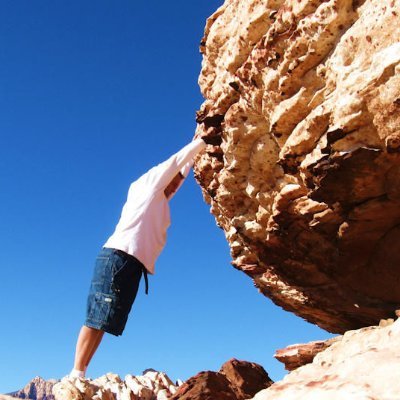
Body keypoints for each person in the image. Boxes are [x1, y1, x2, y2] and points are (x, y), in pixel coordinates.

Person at [69, 138, 206, 378]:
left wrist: (196, 152)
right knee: (95, 318)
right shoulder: (147, 185)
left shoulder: (161, 199)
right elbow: (175, 163)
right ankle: (76, 372)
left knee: (104, 321)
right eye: (173, 180)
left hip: (129, 263)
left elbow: (179, 173)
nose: (176, 185)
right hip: (118, 258)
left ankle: (81, 372)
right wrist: (202, 141)